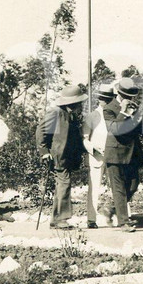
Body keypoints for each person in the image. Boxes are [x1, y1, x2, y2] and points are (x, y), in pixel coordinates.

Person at [37, 85, 89, 230]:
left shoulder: (70, 115)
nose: (80, 105)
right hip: (58, 156)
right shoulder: (56, 113)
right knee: (64, 184)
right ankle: (61, 219)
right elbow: (41, 131)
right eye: (79, 102)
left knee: (62, 185)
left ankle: (56, 219)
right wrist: (44, 151)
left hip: (67, 157)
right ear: (72, 102)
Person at [102, 78, 143, 233]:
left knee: (133, 185)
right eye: (126, 96)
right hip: (115, 153)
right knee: (119, 189)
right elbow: (114, 129)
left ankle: (111, 208)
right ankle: (123, 223)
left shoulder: (134, 107)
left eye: (131, 96)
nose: (129, 98)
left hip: (132, 154)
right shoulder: (109, 108)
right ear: (119, 93)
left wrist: (136, 115)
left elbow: (138, 131)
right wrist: (124, 112)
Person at [82, 83, 115, 228]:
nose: (105, 101)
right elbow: (84, 139)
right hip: (97, 157)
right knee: (94, 188)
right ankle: (91, 219)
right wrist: (94, 149)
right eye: (103, 98)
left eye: (108, 99)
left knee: (117, 187)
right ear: (98, 99)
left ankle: (121, 218)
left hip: (114, 156)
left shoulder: (116, 115)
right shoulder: (92, 116)